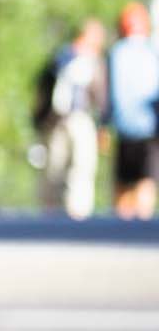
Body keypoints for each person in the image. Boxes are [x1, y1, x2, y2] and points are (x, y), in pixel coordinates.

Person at [34, 19, 106, 218]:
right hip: (77, 119)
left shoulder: (60, 56)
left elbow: (42, 89)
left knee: (57, 168)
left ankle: (53, 210)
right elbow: (99, 96)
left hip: (57, 120)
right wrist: (102, 125)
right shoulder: (88, 59)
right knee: (77, 167)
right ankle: (74, 213)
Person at [106, 2, 159, 219]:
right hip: (149, 126)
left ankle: (123, 224)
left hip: (124, 125)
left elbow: (108, 93)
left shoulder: (116, 53)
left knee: (124, 181)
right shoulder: (152, 51)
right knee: (145, 179)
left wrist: (104, 123)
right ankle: (141, 225)